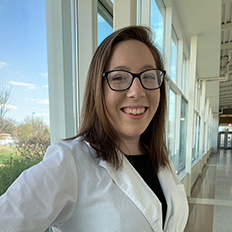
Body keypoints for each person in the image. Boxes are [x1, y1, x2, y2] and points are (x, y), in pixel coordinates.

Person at [0, 25, 188, 232]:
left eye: (148, 76)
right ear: (97, 89)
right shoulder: (69, 161)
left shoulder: (161, 161)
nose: (137, 91)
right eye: (119, 77)